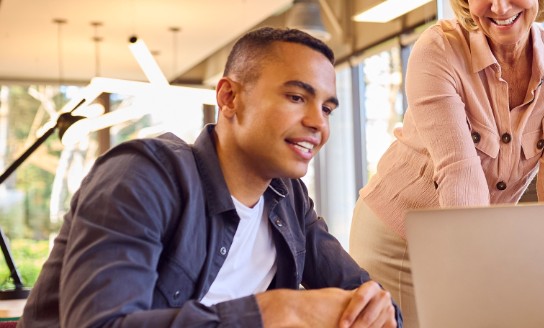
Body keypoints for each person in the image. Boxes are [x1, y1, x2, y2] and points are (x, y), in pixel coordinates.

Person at [19, 27, 401, 328]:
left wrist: (378, 307)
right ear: (229, 97)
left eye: (328, 108)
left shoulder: (289, 199)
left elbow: (368, 299)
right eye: (296, 98)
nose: (318, 123)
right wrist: (274, 312)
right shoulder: (141, 177)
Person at [349, 0, 544, 325]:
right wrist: (478, 281)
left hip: (476, 236)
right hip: (398, 241)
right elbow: (460, 175)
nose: (500, 6)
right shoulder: (439, 49)